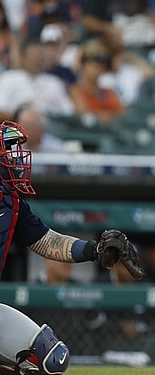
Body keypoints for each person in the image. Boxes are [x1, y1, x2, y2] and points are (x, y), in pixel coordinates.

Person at [0, 120, 144, 375]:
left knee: (52, 360)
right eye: (7, 151)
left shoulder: (11, 203)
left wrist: (94, 250)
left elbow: (46, 241)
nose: (15, 160)